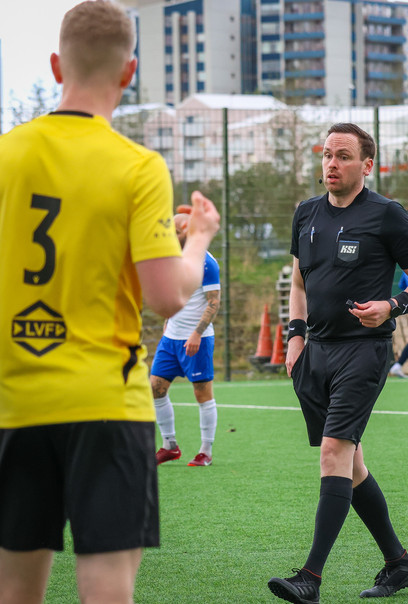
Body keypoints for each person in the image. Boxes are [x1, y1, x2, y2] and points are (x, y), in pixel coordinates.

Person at [0, 2, 220, 603]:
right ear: (129, 71)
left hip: (16, 404)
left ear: (55, 66)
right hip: (106, 403)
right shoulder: (138, 167)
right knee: (107, 592)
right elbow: (167, 296)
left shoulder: (7, 154)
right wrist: (199, 236)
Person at [268, 123, 408, 603]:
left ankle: (310, 578)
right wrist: (295, 337)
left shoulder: (387, 214)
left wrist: (393, 306)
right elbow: (299, 284)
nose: (331, 164)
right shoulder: (305, 213)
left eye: (342, 156)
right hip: (315, 353)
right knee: (351, 464)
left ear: (366, 165)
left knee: (333, 453)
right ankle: (399, 563)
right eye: (326, 154)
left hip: (363, 352)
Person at [152, 213, 221, 467]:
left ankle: (206, 452)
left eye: (175, 231)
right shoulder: (171, 258)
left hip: (196, 340)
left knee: (202, 393)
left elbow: (214, 303)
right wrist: (168, 320)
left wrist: (196, 334)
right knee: (155, 388)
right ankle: (169, 446)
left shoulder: (206, 262)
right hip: (170, 339)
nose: (170, 236)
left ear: (188, 232)